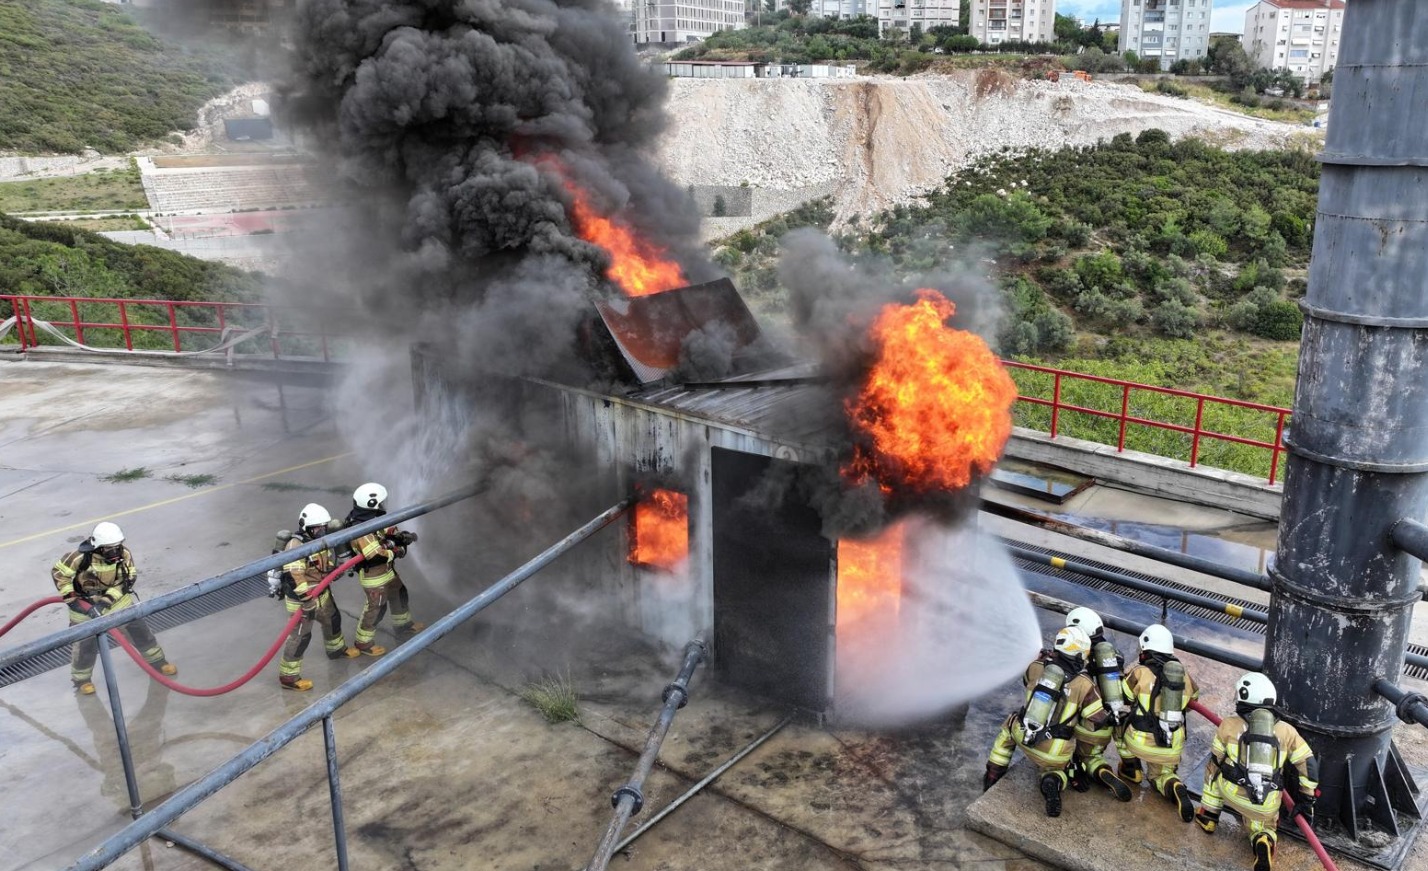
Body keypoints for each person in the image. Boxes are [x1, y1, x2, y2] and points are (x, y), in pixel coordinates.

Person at [1196, 672, 1319, 871]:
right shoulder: (1287, 731)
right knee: (1263, 822)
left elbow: (1216, 758)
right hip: (1266, 803)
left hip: (1231, 793)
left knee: (1213, 768)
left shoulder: (1228, 725)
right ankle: (1262, 838)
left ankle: (1208, 816)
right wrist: (1307, 799)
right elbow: (1309, 765)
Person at [983, 625, 1108, 817]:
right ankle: (1053, 781)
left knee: (1008, 727)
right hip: (1055, 752)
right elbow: (1096, 721)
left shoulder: (1036, 667)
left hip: (1023, 736)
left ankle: (993, 774)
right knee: (1057, 767)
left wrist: (1042, 659)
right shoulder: (1085, 683)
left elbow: (1026, 681)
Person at [52, 522, 177, 695]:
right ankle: (81, 680)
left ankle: (158, 662)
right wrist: (72, 600)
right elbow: (59, 574)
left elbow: (127, 579)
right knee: (84, 645)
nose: (116, 552)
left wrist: (105, 602)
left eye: (118, 547)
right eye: (111, 549)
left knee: (140, 633)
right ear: (98, 547)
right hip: (84, 609)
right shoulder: (77, 558)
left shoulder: (124, 553)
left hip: (119, 603)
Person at [1117, 623, 1200, 822]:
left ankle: (1131, 769)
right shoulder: (1184, 677)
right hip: (1171, 744)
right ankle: (1173, 784)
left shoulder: (1140, 672)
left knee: (1118, 722)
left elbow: (1123, 697)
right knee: (1159, 777)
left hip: (1139, 740)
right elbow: (1192, 702)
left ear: (1146, 648)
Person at [275, 503, 362, 691]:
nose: (322, 531)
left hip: (322, 594)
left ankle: (336, 650)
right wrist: (306, 600)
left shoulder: (317, 541)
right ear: (306, 527)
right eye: (317, 528)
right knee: (300, 637)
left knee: (333, 620)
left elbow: (322, 563)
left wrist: (333, 569)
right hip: (303, 601)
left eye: (324, 527)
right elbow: (294, 575)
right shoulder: (295, 546)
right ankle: (288, 677)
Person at [1063, 607, 1133, 802]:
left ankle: (1081, 768)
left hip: (1086, 722)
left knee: (1075, 752)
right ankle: (1102, 768)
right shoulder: (1114, 655)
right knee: (1093, 756)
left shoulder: (1079, 659)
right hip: (1110, 721)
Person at [346, 482, 424, 654]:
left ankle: (402, 625)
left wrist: (395, 535)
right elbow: (376, 555)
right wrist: (397, 550)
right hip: (374, 576)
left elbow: (384, 528)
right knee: (376, 608)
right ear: (372, 504)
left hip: (386, 572)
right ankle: (363, 642)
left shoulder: (371, 519)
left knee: (399, 593)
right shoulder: (361, 530)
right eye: (381, 503)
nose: (383, 505)